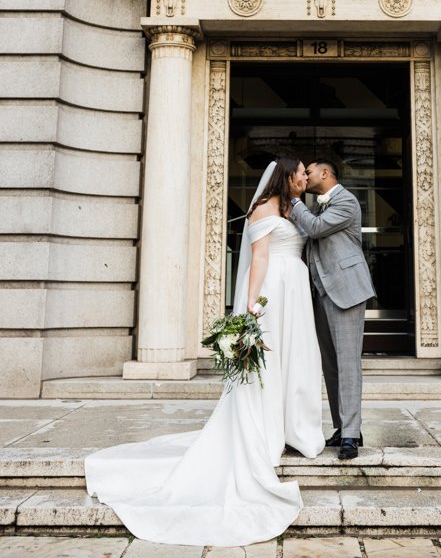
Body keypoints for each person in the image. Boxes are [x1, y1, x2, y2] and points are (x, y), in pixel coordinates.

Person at [85, 157, 324, 547]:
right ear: (285, 177)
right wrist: (252, 305)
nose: (304, 177)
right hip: (274, 290)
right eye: (299, 172)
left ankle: (295, 426)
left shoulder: (293, 208)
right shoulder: (264, 208)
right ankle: (266, 431)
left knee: (295, 360)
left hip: (295, 288)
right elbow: (260, 258)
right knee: (272, 360)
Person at [289, 158, 375, 461]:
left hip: (347, 290)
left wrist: (293, 199)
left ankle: (352, 433)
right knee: (330, 365)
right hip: (320, 292)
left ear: (325, 174)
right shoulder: (317, 206)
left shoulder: (346, 201)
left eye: (308, 172)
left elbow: (313, 229)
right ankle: (343, 427)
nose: (305, 177)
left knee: (348, 363)